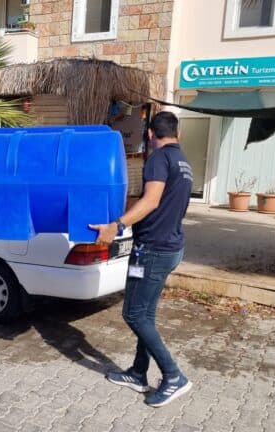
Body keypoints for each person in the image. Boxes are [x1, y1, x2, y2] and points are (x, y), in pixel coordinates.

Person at [90, 111, 193, 407]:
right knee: (145, 315)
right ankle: (138, 373)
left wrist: (117, 225)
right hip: (170, 247)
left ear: (149, 135)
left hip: (152, 250)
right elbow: (161, 201)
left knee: (134, 315)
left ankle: (174, 377)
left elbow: (152, 200)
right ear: (177, 133)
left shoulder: (158, 159)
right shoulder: (183, 160)